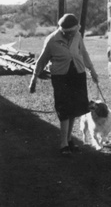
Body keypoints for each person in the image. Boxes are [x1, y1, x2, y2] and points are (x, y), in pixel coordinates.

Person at [29, 13, 100, 155]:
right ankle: (63, 144)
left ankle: (69, 140)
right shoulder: (52, 40)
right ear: (64, 30)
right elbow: (42, 60)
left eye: (75, 30)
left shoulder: (78, 35)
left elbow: (84, 53)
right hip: (61, 77)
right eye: (71, 31)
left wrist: (92, 70)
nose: (74, 33)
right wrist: (34, 79)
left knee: (75, 108)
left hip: (78, 74)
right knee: (64, 109)